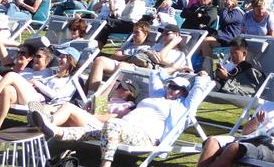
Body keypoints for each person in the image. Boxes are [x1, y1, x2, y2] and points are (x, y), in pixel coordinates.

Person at [34, 70, 210, 167]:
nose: (172, 90)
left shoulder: (181, 106)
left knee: (110, 124)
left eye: (177, 88)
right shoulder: (157, 96)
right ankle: (51, 128)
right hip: (114, 126)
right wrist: (174, 72)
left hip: (141, 134)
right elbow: (156, 74)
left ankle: (47, 122)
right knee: (88, 124)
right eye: (171, 86)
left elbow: (198, 90)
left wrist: (200, 76)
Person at [197, 71, 274, 167]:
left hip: (271, 149)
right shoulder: (267, 106)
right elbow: (245, 132)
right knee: (212, 141)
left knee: (233, 148)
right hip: (247, 139)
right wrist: (256, 120)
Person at [0, 47, 78, 143]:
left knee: (9, 75)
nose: (59, 59)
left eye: (63, 57)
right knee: (7, 89)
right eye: (60, 56)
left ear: (71, 60)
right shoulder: (53, 75)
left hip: (38, 102)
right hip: (23, 95)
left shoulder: (71, 80)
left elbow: (56, 97)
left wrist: (38, 84)